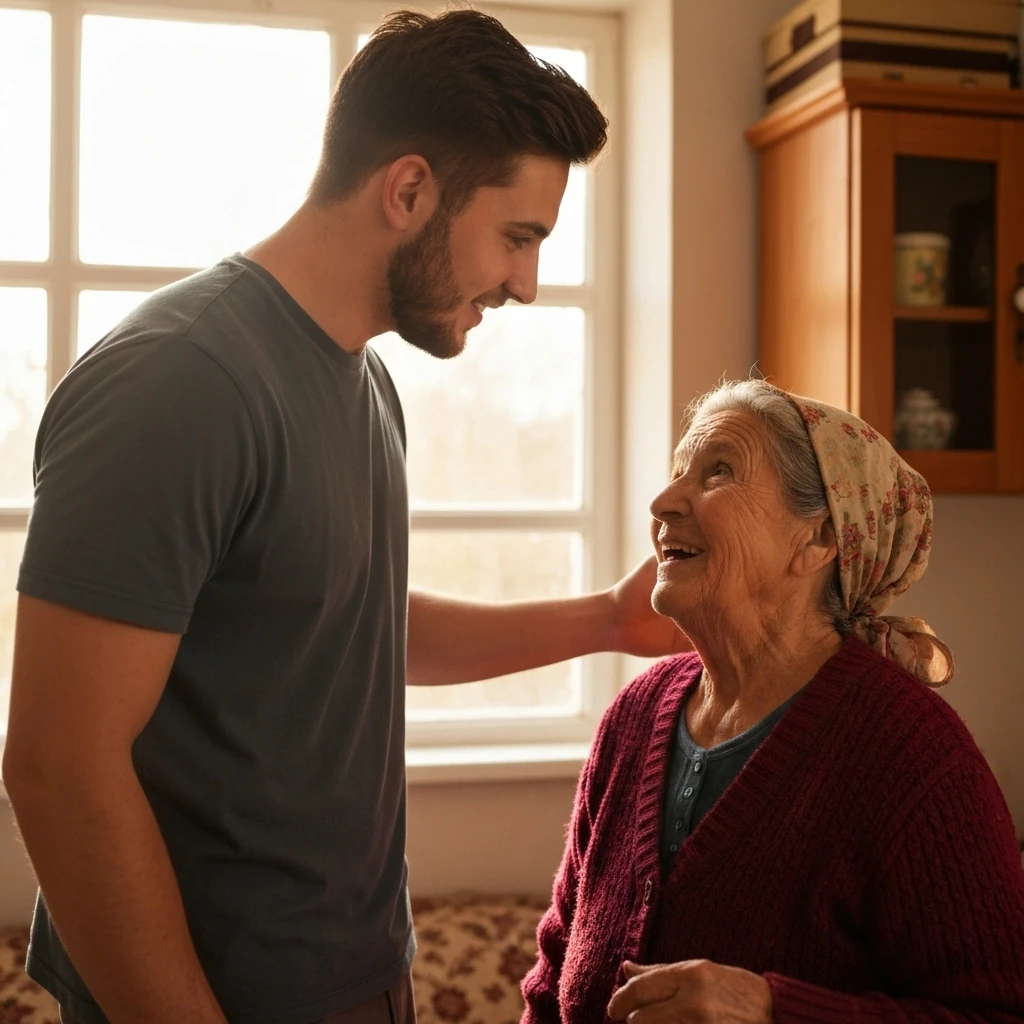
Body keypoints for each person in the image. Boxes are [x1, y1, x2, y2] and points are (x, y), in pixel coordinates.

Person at [2, 10, 684, 1024]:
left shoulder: (365, 386)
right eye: (517, 237)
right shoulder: (179, 379)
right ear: (407, 190)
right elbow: (59, 766)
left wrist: (607, 621)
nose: (528, 284)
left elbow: (349, 623)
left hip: (361, 977)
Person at [522, 378, 1024, 1024]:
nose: (663, 501)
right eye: (678, 472)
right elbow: (554, 973)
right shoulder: (636, 715)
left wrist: (772, 1010)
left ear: (819, 539)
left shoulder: (911, 754)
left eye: (718, 472)